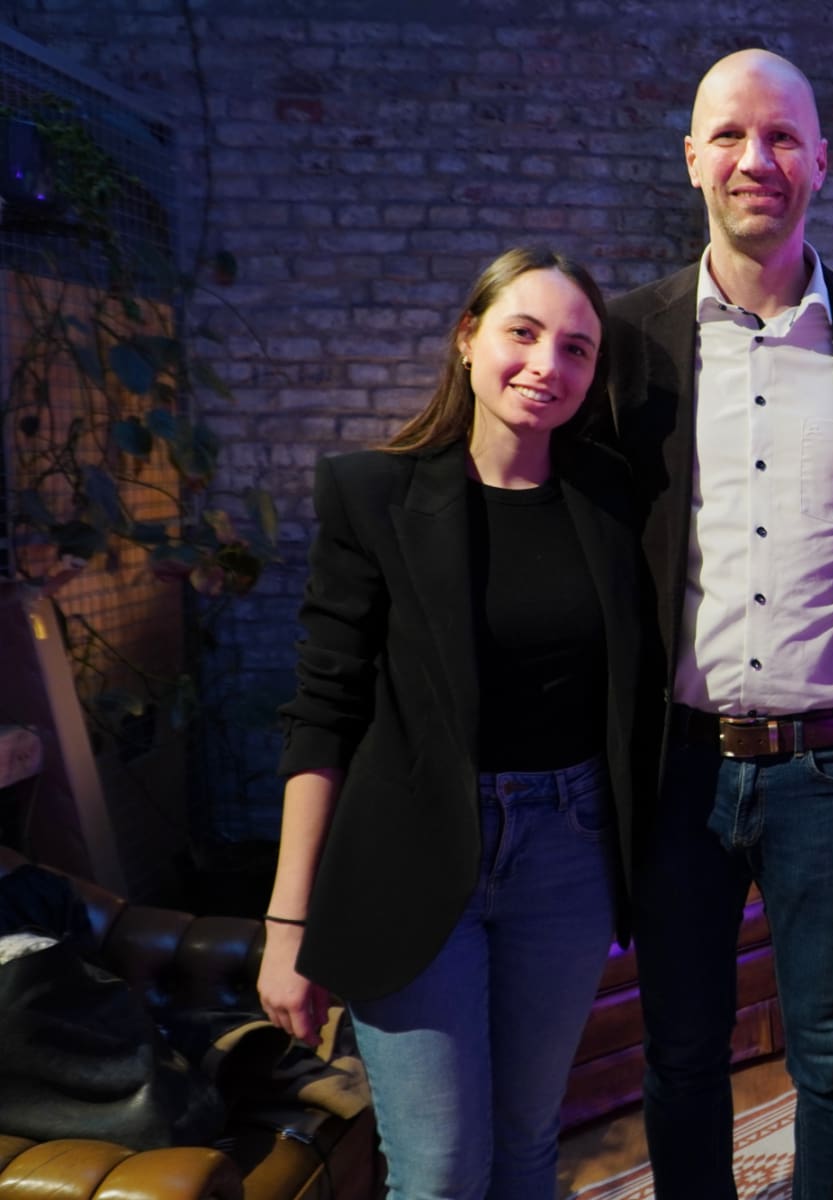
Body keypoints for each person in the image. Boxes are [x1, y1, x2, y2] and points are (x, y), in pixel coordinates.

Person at [257, 246, 647, 1200]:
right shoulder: (373, 494)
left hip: (568, 847)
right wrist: (286, 922)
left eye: (577, 349)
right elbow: (324, 710)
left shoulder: (616, 499)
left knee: (524, 1146)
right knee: (437, 1171)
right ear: (469, 337)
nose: (546, 364)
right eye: (522, 331)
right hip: (412, 851)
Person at [602, 49, 833, 1200]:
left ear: (822, 161)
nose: (756, 160)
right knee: (680, 1058)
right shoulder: (624, 345)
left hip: (832, 771)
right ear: (690, 159)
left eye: (783, 136)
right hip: (679, 771)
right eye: (729, 136)